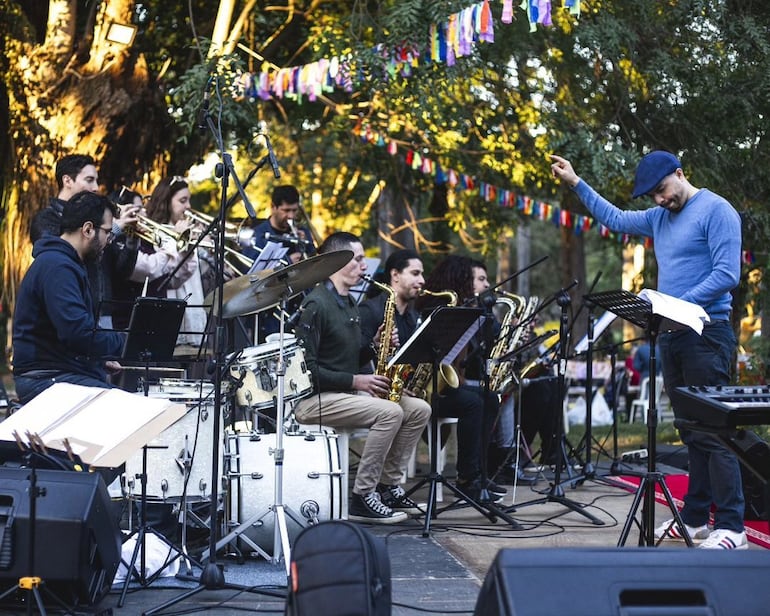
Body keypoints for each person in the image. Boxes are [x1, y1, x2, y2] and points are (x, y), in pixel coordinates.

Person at [551, 151, 745, 549]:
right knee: (692, 434)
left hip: (707, 334)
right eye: (653, 195)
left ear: (680, 173)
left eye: (662, 190)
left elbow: (727, 274)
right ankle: (694, 521)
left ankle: (733, 527)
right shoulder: (659, 218)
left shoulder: (716, 210)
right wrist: (576, 182)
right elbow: (617, 218)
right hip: (672, 332)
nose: (659, 200)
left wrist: (677, 304)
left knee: (715, 434)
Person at [293, 233, 431, 523]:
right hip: (314, 400)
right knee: (390, 411)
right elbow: (307, 371)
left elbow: (352, 357)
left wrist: (375, 344)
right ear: (337, 261)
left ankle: (387, 486)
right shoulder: (316, 304)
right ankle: (362, 496)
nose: (364, 267)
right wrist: (356, 382)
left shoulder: (348, 304)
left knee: (420, 409)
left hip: (343, 394)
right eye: (357, 260)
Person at [13, 192, 127, 403]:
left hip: (58, 372)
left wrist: (97, 360)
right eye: (107, 233)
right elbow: (77, 333)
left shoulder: (64, 263)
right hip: (45, 379)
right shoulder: (58, 267)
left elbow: (66, 336)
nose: (109, 241)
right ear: (88, 229)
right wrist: (126, 342)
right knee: (127, 409)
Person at [414, 255, 510, 499]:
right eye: (473, 279)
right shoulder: (432, 310)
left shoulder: (465, 311)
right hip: (422, 389)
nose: (481, 285)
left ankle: (477, 472)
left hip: (443, 385)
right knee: (472, 402)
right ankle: (467, 477)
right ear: (459, 280)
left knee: (488, 397)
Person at [30, 154, 139, 330]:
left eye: (96, 181)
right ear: (67, 181)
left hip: (104, 313)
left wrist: (133, 240)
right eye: (89, 180)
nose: (96, 188)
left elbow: (123, 272)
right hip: (72, 311)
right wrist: (114, 228)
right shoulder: (46, 218)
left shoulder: (99, 218)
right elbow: (65, 254)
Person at [141, 176, 210, 354]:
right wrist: (182, 241)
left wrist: (205, 249)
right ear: (166, 201)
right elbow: (167, 269)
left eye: (189, 200)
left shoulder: (189, 229)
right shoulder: (156, 232)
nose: (188, 206)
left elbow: (198, 271)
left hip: (193, 301)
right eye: (182, 200)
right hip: (170, 305)